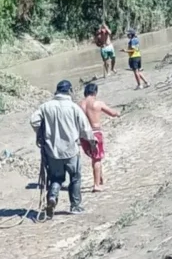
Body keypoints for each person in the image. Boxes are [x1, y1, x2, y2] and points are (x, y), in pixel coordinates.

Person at [30, 80, 97, 219]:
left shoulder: (45, 107)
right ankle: (75, 206)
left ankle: (53, 197)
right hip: (71, 149)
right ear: (69, 91)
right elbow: (85, 128)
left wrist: (42, 134)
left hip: (52, 151)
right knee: (75, 178)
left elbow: (34, 120)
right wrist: (92, 142)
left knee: (56, 178)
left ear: (57, 91)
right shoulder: (73, 107)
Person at [78, 83, 120, 192]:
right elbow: (111, 112)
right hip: (95, 132)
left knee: (94, 157)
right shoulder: (97, 103)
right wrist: (117, 113)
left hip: (83, 134)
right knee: (96, 158)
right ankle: (96, 184)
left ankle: (100, 179)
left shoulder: (79, 104)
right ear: (95, 92)